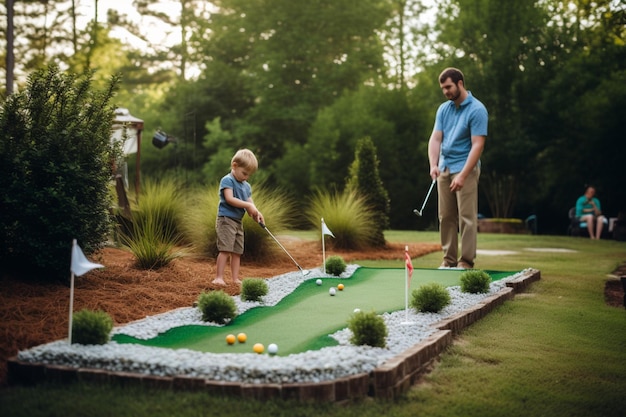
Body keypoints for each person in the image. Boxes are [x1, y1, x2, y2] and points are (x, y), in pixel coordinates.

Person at [427, 67, 488, 269]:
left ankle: (466, 261)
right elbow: (436, 138)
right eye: (443, 88)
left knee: (467, 218)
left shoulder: (477, 110)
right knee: (445, 217)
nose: (446, 92)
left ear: (460, 83)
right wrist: (433, 165)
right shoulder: (444, 109)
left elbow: (478, 145)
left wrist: (462, 175)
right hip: (444, 168)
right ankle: (449, 260)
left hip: (466, 169)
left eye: (448, 87)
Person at [212, 149, 264, 287]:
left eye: (249, 175)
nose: (246, 177)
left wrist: (256, 212)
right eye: (244, 173)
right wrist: (248, 205)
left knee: (237, 251)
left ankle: (235, 279)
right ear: (234, 166)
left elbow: (249, 202)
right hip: (226, 219)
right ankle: (219, 277)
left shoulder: (246, 186)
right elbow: (230, 199)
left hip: (237, 221)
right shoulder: (227, 180)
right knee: (225, 249)